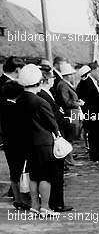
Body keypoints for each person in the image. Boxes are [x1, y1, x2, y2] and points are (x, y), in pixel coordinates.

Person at [16, 64, 60, 217]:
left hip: (28, 142)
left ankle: (34, 205)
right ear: (39, 82)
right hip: (43, 143)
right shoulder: (41, 102)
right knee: (45, 176)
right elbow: (52, 123)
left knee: (33, 175)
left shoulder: (19, 100)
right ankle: (45, 206)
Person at [36, 65, 72, 213]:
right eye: (52, 78)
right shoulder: (43, 96)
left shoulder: (47, 94)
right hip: (52, 137)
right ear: (45, 79)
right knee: (55, 173)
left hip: (54, 134)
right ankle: (56, 203)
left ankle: (57, 201)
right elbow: (54, 117)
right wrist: (67, 120)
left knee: (57, 172)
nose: (53, 80)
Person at [0, 79, 29, 210]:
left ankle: (17, 199)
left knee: (13, 171)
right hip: (20, 141)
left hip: (7, 142)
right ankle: (22, 198)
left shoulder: (2, 105)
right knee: (21, 170)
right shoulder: (17, 107)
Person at [78, 62, 99, 162]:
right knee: (94, 136)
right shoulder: (86, 82)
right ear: (93, 71)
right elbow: (85, 100)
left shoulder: (94, 82)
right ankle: (96, 157)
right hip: (93, 114)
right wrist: (90, 114)